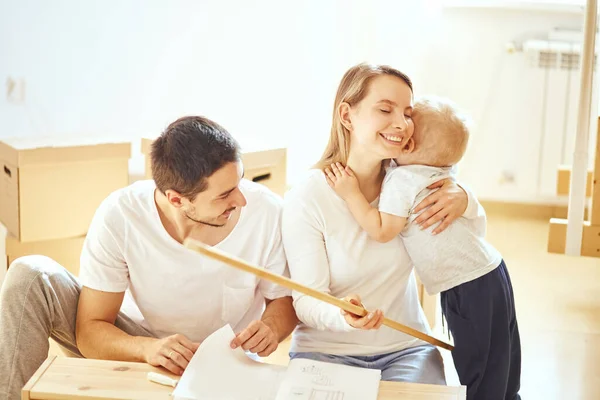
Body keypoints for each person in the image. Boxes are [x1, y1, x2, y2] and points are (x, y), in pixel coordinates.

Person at [0, 116, 298, 400]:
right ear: (177, 200)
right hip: (137, 344)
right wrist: (147, 349)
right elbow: (90, 330)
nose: (241, 200)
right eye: (224, 195)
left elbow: (283, 303)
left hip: (224, 357)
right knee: (28, 273)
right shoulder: (120, 214)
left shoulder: (268, 212)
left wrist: (271, 327)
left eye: (240, 183)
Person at [281, 63, 483, 384]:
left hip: (406, 347)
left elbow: (470, 229)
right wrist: (343, 316)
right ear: (347, 116)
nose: (401, 124)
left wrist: (465, 197)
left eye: (407, 113)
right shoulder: (307, 197)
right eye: (385, 110)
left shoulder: (410, 180)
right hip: (325, 351)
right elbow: (307, 301)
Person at [324, 95, 521, 399]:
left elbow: (382, 230)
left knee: (478, 365)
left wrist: (351, 194)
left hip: (466, 285)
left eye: (406, 119)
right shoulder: (444, 171)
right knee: (502, 359)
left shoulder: (402, 180)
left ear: (409, 145)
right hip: (493, 270)